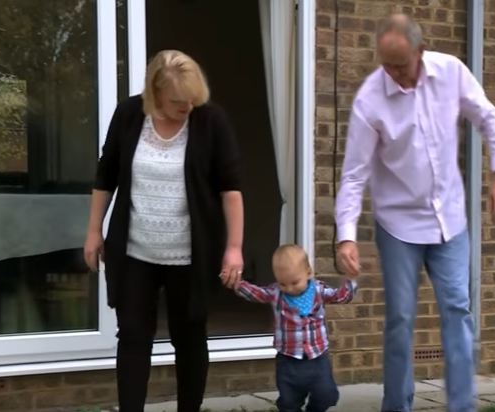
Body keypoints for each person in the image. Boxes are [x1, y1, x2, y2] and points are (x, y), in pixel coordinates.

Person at [335, 14, 495, 412]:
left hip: (450, 220)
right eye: (387, 64)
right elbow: (354, 173)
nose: (394, 73)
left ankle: (461, 406)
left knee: (457, 310)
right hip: (397, 224)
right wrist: (346, 234)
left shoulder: (451, 73)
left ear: (420, 50)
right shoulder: (369, 99)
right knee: (399, 320)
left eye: (401, 64)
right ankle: (396, 405)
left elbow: (489, 119)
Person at [83, 49, 245, 412]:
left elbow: (230, 189)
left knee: (189, 338)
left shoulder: (210, 120)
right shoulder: (128, 115)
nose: (187, 105)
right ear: (154, 93)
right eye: (176, 101)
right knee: (133, 338)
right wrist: (94, 230)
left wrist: (233, 247)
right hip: (136, 251)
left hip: (190, 254)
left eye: (192, 98)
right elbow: (105, 175)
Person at [231, 244, 357, 412]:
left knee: (328, 395)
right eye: (283, 283)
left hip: (317, 358)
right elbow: (257, 293)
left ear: (308, 272)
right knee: (290, 402)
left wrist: (351, 278)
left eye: (294, 282)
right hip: (288, 360)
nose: (289, 288)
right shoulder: (276, 293)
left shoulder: (318, 290)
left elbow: (341, 297)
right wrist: (237, 283)